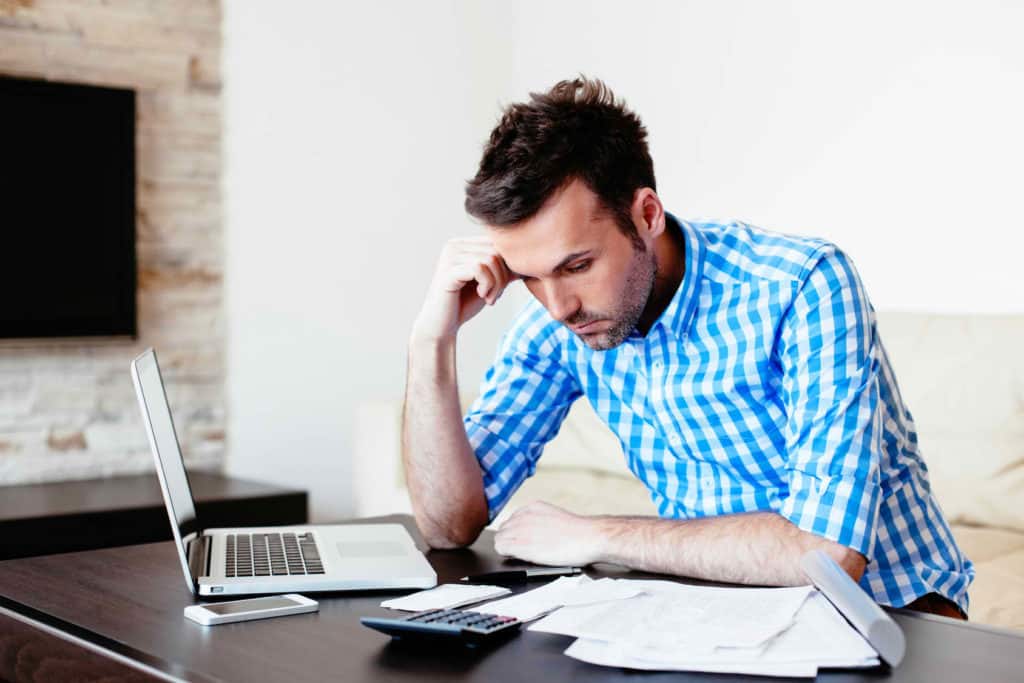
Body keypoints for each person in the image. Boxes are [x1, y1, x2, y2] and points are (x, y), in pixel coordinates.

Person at [402, 76, 973, 619]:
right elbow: (448, 528)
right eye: (529, 277)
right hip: (719, 612)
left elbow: (828, 555)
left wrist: (599, 535)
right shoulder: (558, 323)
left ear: (645, 215)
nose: (557, 307)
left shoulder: (801, 284)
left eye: (577, 266)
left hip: (892, 616)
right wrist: (433, 340)